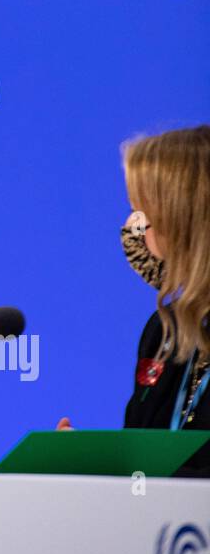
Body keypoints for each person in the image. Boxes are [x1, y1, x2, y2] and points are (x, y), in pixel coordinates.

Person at [58, 126, 210, 468]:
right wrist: (94, 463)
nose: (133, 228)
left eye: (143, 212)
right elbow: (146, 465)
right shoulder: (163, 332)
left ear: (184, 218)